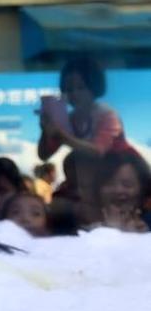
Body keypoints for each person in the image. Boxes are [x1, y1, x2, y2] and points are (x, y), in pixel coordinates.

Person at [38, 57, 131, 208]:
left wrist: (61, 135)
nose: (74, 94)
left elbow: (98, 151)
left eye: (81, 88)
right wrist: (45, 130)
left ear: (94, 87)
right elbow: (43, 155)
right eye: (68, 89)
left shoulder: (107, 114)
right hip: (91, 180)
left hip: (120, 176)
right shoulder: (71, 118)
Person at [90, 152, 150, 233]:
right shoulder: (82, 223)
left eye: (127, 185)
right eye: (109, 183)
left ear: (142, 189)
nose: (118, 190)